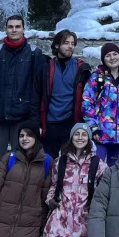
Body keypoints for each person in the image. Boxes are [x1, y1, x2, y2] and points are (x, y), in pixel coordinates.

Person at [0, 15, 44, 164]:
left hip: (22, 117)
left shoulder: (34, 53)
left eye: (17, 26)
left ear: (23, 29)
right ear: (6, 29)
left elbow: (37, 87)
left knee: (21, 165)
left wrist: (34, 117)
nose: (14, 29)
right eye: (10, 27)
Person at [82, 42, 119, 168]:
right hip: (101, 135)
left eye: (115, 54)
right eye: (108, 55)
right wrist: (93, 128)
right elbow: (87, 103)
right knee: (96, 170)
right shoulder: (97, 79)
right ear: (103, 59)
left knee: (117, 172)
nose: (112, 58)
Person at [40, 30, 93, 159]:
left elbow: (89, 97)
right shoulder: (46, 67)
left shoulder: (82, 69)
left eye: (72, 43)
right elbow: (37, 95)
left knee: (70, 161)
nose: (70, 46)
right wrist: (38, 123)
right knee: (48, 161)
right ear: (57, 45)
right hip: (50, 122)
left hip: (71, 122)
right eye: (66, 43)